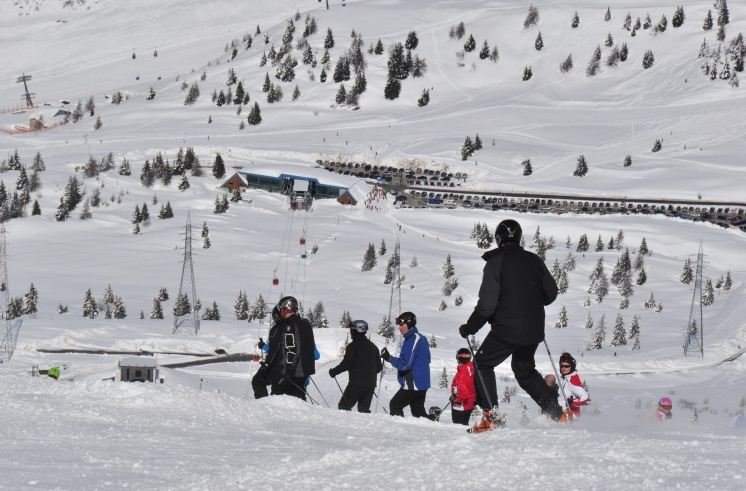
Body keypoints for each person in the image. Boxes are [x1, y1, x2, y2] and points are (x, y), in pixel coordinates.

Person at [458, 219, 564, 431]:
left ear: (498, 239)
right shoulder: (534, 260)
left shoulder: (496, 262)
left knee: (482, 364)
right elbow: (551, 292)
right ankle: (557, 414)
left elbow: (487, 305)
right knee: (524, 370)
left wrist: (470, 327)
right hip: (533, 329)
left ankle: (492, 417)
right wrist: (530, 302)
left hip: (507, 328)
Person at [251, 296, 317, 400]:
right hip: (301, 377)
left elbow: (273, 353)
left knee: (258, 381)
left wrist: (266, 365)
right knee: (298, 405)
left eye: (281, 309)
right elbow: (315, 354)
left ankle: (263, 407)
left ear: (285, 309)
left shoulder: (278, 328)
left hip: (281, 375)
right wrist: (306, 373)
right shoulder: (306, 325)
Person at [380, 311, 431, 418]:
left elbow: (406, 364)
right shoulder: (419, 338)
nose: (399, 327)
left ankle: (398, 432)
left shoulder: (414, 339)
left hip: (413, 384)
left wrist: (389, 358)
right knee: (418, 414)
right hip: (421, 384)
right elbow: (427, 359)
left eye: (402, 324)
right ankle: (432, 424)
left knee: (395, 404)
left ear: (409, 324)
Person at [328, 319, 383, 413]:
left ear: (356, 331)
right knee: (363, 410)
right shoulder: (374, 347)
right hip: (370, 385)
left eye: (352, 330)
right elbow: (379, 368)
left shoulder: (352, 346)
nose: (350, 332)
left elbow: (345, 364)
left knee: (343, 407)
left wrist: (334, 372)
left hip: (356, 384)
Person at [449, 348, 477, 425]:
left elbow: (463, 393)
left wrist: (456, 401)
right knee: (464, 424)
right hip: (470, 402)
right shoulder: (472, 367)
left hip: (461, 405)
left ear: (458, 359)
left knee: (458, 427)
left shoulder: (462, 373)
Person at [558, 352, 589, 419]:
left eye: (567, 366)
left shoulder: (572, 380)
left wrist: (573, 404)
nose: (564, 368)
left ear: (571, 367)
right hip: (560, 413)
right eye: (562, 366)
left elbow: (585, 396)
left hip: (570, 416)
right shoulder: (564, 378)